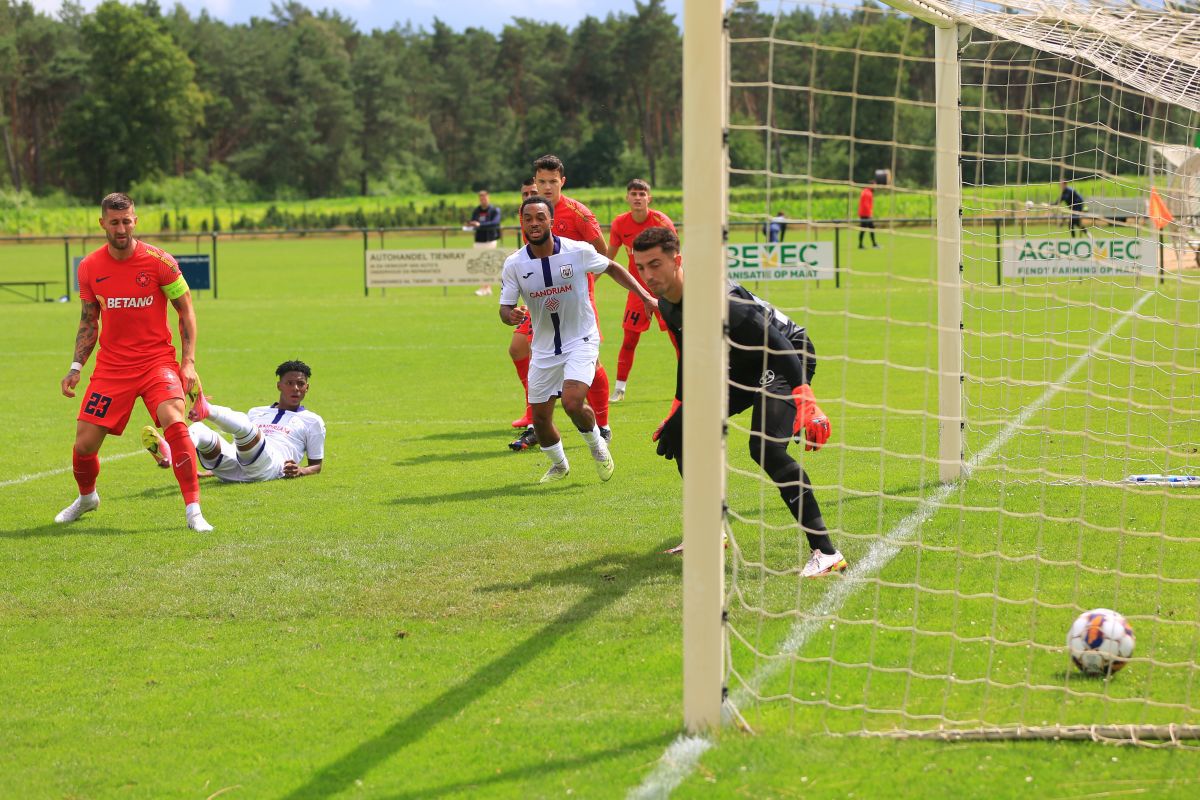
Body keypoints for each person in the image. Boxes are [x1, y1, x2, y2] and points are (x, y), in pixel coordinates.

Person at [632, 226, 847, 577]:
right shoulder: (669, 305)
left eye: (655, 264)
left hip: (786, 357)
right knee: (683, 435)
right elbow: (688, 353)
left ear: (677, 260)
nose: (648, 274)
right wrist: (677, 409)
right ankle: (709, 533)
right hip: (741, 366)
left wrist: (806, 402)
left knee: (765, 448)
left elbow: (779, 345)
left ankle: (826, 552)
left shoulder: (722, 301)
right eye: (641, 267)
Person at [56, 192, 212, 532]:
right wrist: (76, 367)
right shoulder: (89, 267)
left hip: (157, 362)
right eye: (114, 222)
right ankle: (87, 498)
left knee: (174, 421)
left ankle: (193, 510)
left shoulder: (161, 262)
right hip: (112, 369)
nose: (121, 228)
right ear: (102, 224)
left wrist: (188, 362)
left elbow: (185, 311)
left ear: (135, 221)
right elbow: (88, 320)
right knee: (84, 445)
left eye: (127, 221)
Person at [499, 195, 656, 483]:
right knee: (541, 419)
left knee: (572, 402)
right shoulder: (514, 264)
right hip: (544, 347)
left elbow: (612, 267)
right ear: (522, 223)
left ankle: (598, 445)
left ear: (551, 221)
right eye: (528, 218)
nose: (534, 223)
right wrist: (510, 315)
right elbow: (505, 307)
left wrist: (645, 296)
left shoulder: (577, 251)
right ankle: (559, 465)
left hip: (581, 337)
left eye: (540, 218)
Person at [532, 153, 614, 439]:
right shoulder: (531, 212)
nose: (547, 187)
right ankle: (536, 420)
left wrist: (586, 285)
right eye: (542, 181)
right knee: (521, 348)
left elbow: (602, 252)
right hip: (542, 298)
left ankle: (602, 424)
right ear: (535, 182)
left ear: (562, 182)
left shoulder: (578, 212)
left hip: (577, 299)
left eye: (552, 182)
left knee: (595, 362)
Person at [145, 360, 325, 482]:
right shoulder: (257, 411)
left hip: (271, 466)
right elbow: (239, 447)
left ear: (307, 388)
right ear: (279, 385)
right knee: (199, 428)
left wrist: (301, 470)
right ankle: (171, 452)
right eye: (290, 383)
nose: (296, 388)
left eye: (301, 384)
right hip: (234, 469)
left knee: (247, 428)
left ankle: (207, 409)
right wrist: (208, 473)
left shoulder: (313, 421)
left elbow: (316, 465)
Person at [606, 178, 679, 402]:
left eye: (642, 194)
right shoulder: (620, 223)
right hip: (637, 292)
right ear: (627, 198)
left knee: (678, 337)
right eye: (633, 194)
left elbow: (676, 256)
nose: (638, 198)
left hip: (665, 291)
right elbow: (608, 258)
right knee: (629, 339)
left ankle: (689, 384)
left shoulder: (661, 221)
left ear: (649, 198)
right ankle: (619, 389)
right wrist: (590, 282)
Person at [508, 178, 542, 451]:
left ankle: (600, 422)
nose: (528, 196)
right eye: (525, 194)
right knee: (519, 348)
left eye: (533, 192)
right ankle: (533, 412)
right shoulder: (526, 225)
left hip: (565, 300)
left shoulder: (551, 219)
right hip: (537, 304)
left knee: (588, 363)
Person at [467, 189, 502, 296]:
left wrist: (480, 225)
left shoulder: (494, 210)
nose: (483, 200)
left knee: (488, 263)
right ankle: (484, 288)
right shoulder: (476, 210)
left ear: (488, 198)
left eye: (484, 197)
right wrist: (471, 224)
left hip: (490, 240)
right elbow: (473, 222)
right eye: (481, 198)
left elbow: (495, 223)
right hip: (478, 240)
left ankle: (486, 288)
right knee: (480, 264)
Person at [858, 181, 879, 249]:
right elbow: (866, 205)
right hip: (865, 214)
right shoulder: (868, 193)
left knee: (870, 228)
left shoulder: (865, 191)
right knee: (865, 229)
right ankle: (862, 245)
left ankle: (873, 244)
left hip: (863, 213)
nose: (875, 187)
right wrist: (869, 214)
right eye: (874, 186)